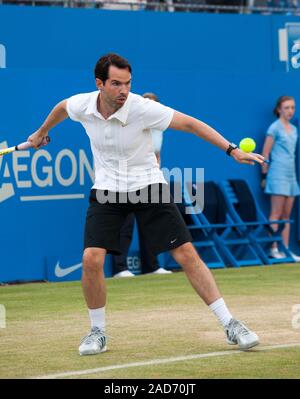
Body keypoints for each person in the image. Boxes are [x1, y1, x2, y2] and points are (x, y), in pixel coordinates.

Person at [28, 53, 263, 356]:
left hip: (147, 186)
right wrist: (41, 131)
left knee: (186, 253)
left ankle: (230, 323)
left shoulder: (142, 108)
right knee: (91, 259)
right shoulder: (83, 104)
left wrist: (231, 150)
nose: (123, 90)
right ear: (99, 84)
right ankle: (97, 331)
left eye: (127, 83)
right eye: (116, 84)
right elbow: (62, 108)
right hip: (108, 190)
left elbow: (190, 124)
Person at [113, 92, 171, 277]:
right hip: (126, 181)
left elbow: (156, 154)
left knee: (149, 225)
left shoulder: (159, 129)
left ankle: (151, 266)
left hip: (148, 181)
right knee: (125, 226)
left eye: (154, 105)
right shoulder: (131, 123)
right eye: (148, 104)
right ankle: (120, 268)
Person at [261, 95, 300, 261]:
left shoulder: (294, 129)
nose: (290, 111)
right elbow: (265, 153)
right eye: (286, 108)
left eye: (292, 107)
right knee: (275, 213)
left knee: (286, 215)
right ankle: (274, 247)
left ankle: (285, 250)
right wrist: (264, 174)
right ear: (279, 110)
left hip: (291, 175)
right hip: (276, 173)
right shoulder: (274, 128)